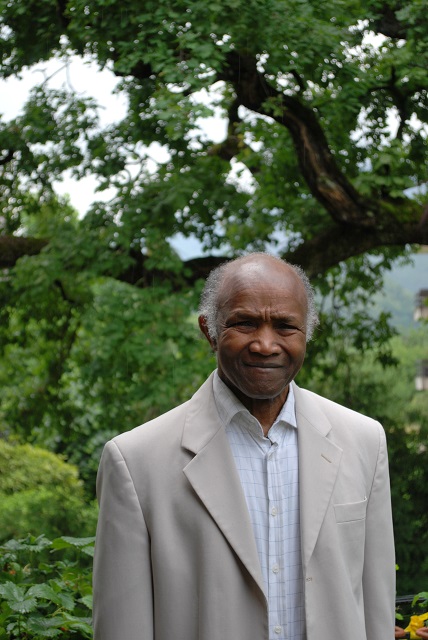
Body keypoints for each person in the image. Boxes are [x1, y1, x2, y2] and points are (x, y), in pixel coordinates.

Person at [93, 252, 396, 640]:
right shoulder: (135, 463)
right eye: (245, 323)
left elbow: (376, 610)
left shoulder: (364, 441)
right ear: (209, 331)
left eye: (285, 326)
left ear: (307, 333)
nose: (265, 345)